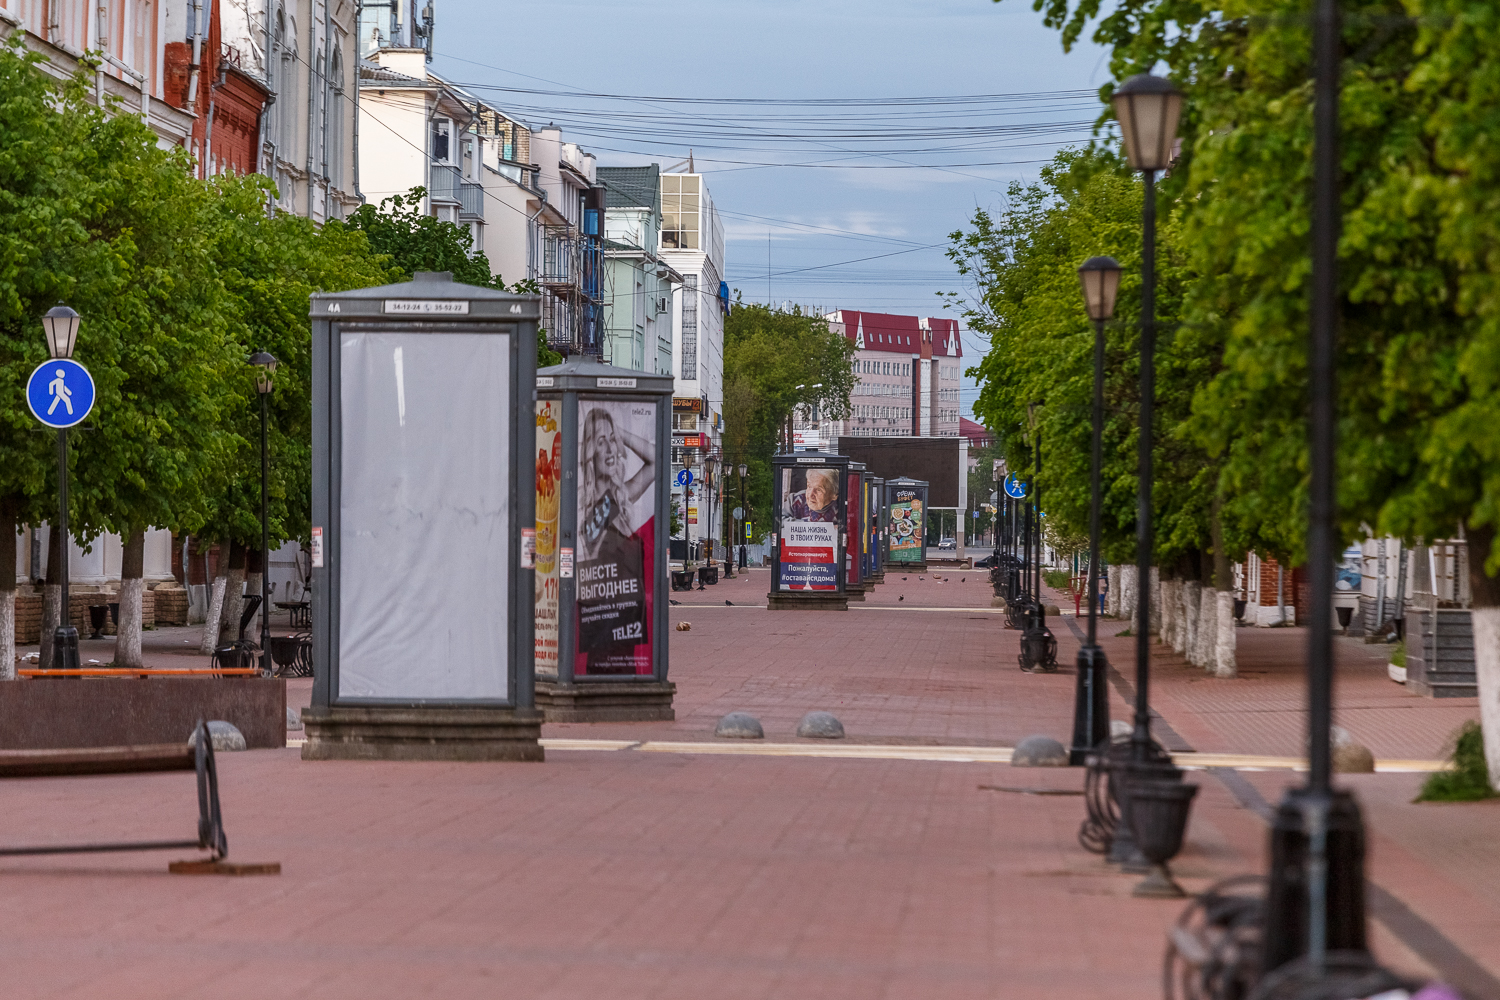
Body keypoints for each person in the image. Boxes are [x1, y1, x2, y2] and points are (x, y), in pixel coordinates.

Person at [576, 406, 655, 674]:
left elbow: (656, 460)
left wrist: (619, 433)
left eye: (613, 440)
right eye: (601, 441)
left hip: (627, 620)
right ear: (590, 451)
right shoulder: (586, 505)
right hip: (600, 620)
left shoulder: (619, 499)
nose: (611, 449)